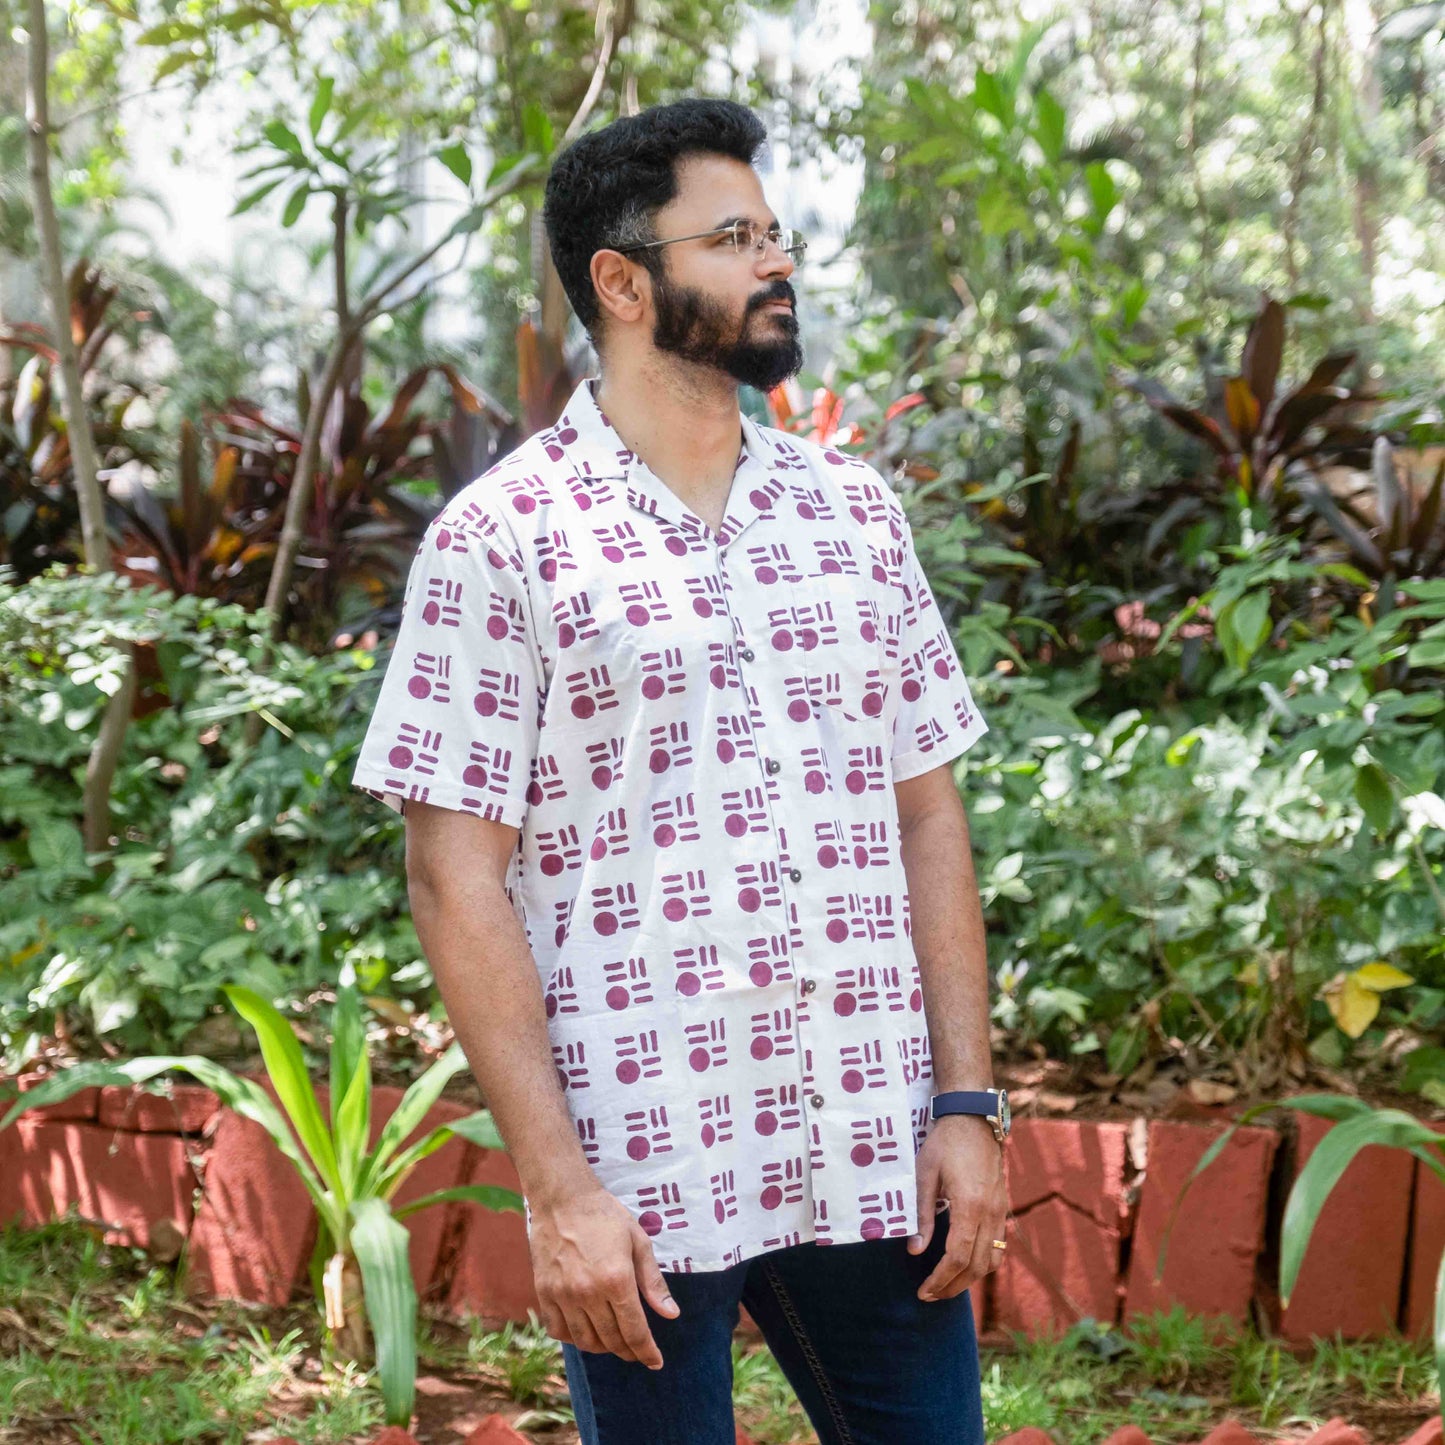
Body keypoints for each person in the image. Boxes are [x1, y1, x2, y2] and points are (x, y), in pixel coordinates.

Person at [352, 95, 1009, 1445]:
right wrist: (556, 1189)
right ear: (622, 279)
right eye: (731, 237)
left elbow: (927, 812)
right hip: (643, 1158)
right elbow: (451, 873)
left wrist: (964, 1101)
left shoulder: (852, 513)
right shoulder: (503, 539)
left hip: (868, 1135)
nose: (775, 262)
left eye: (773, 234)